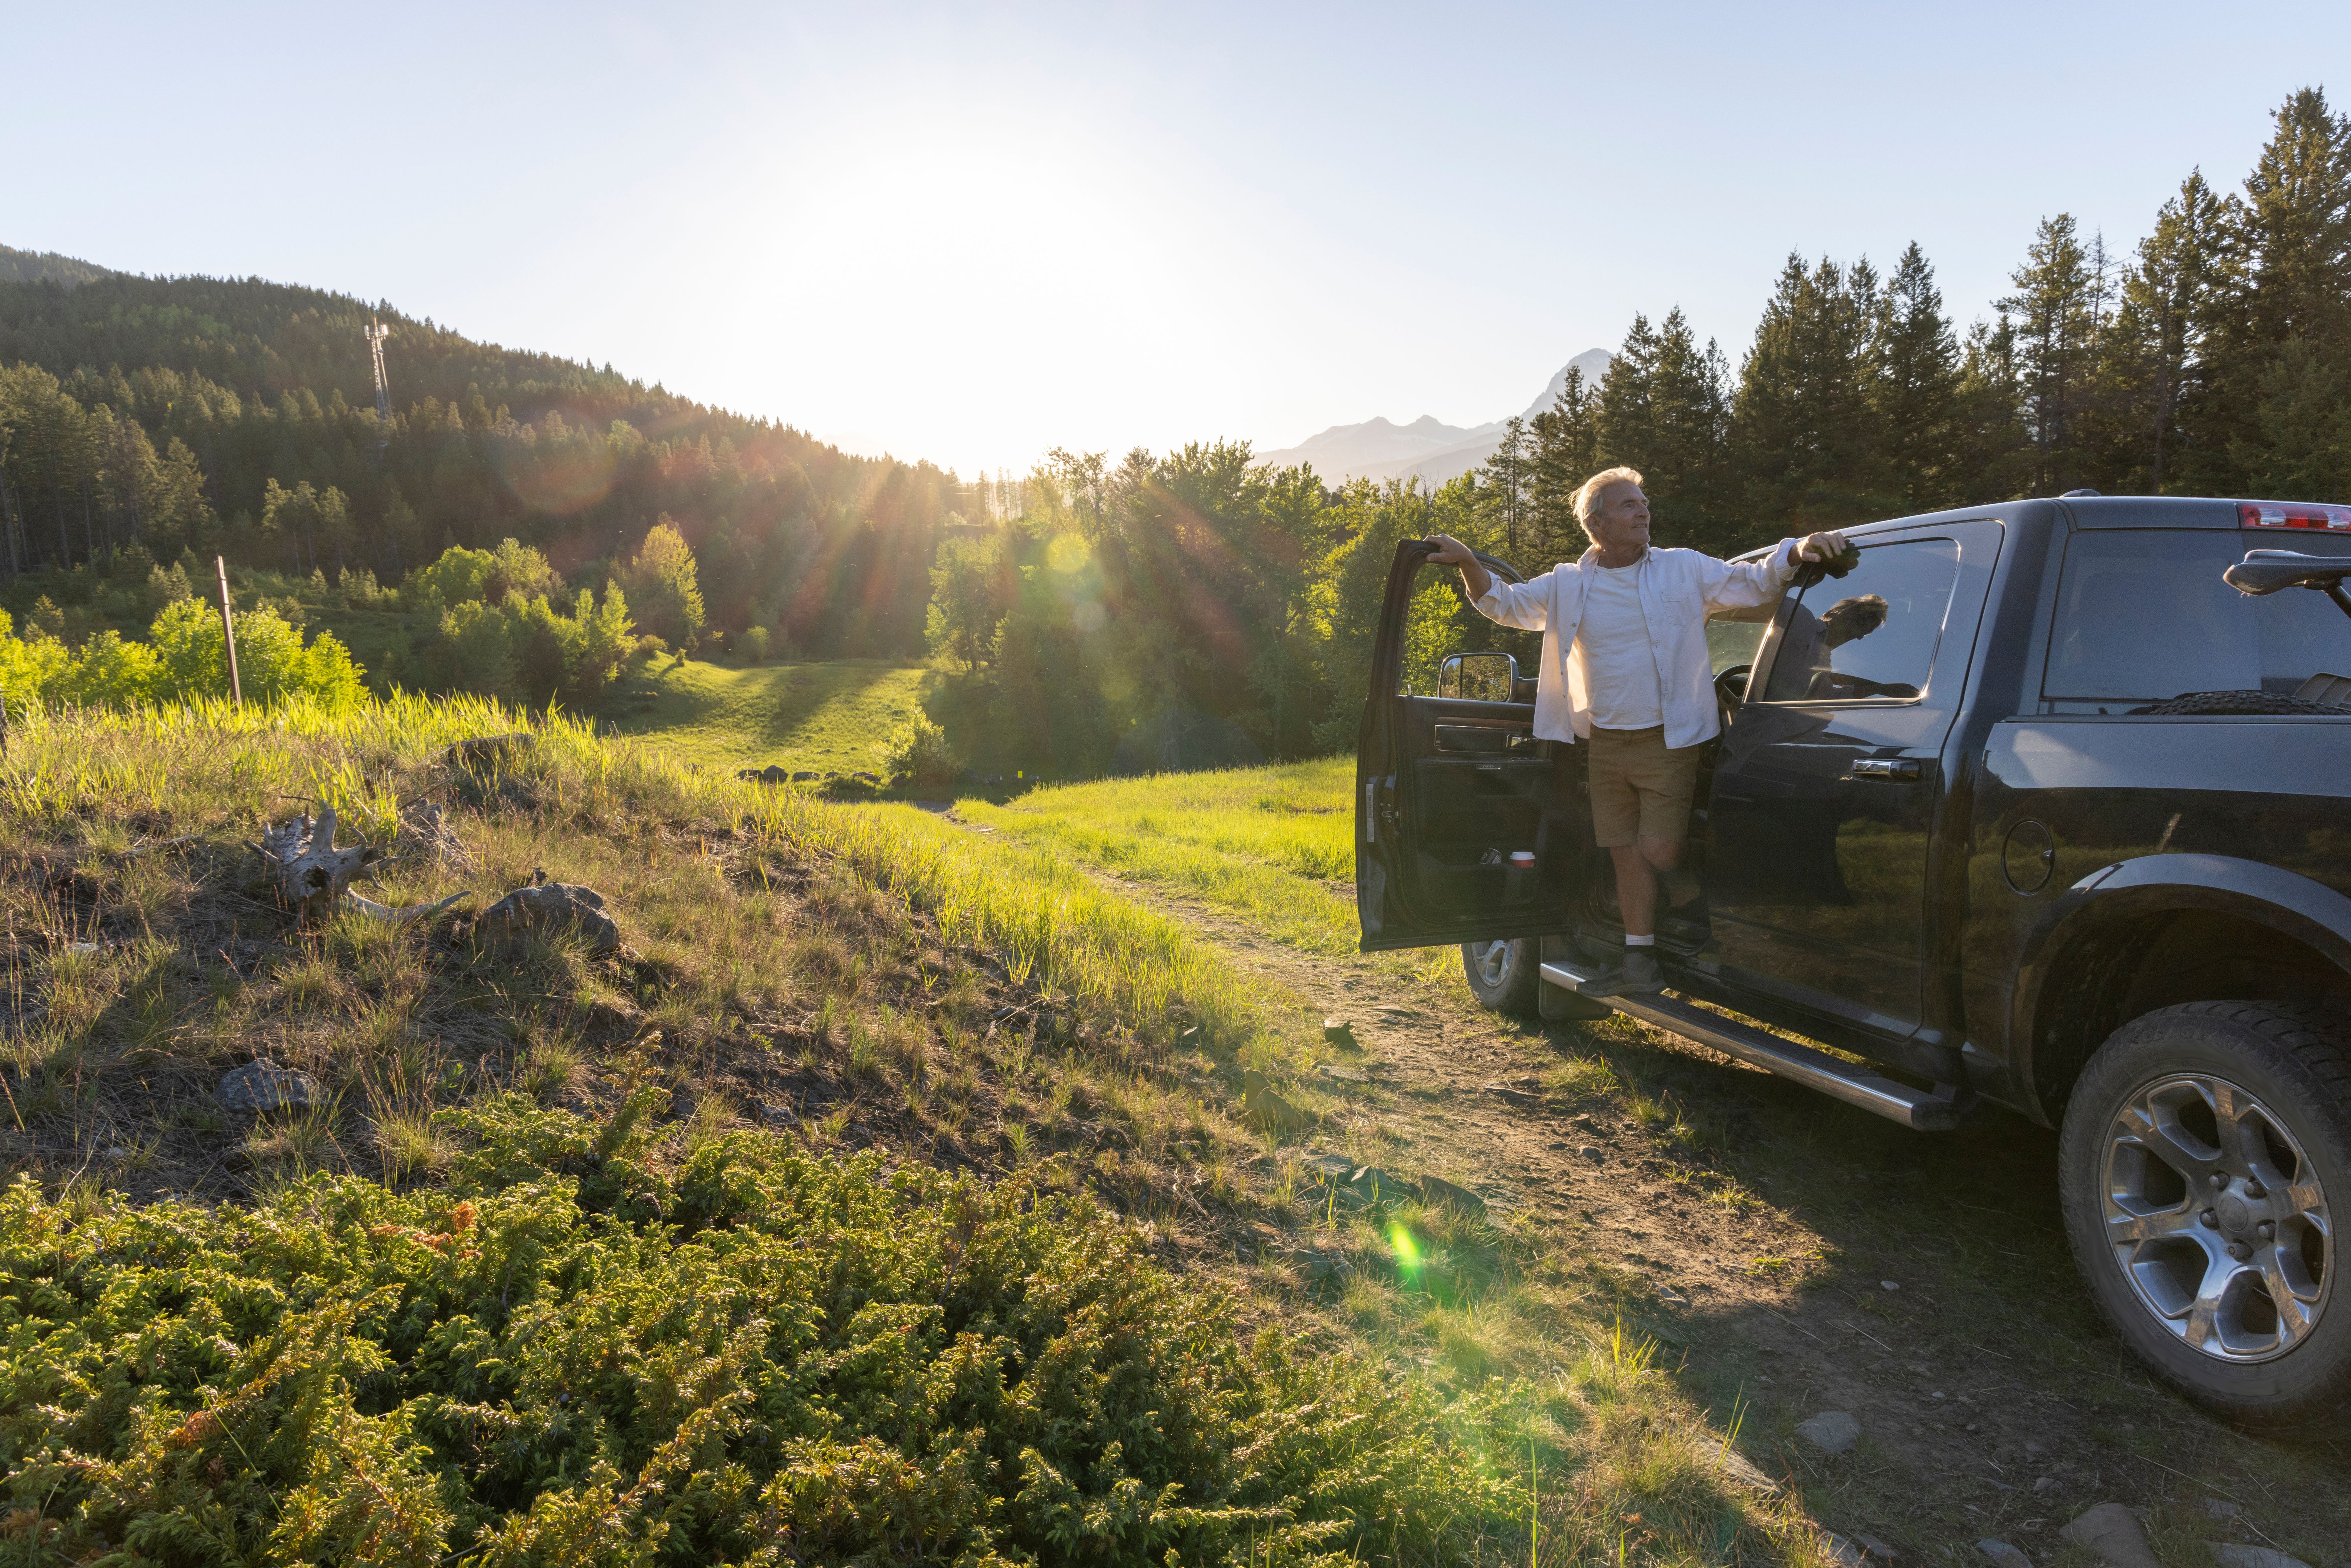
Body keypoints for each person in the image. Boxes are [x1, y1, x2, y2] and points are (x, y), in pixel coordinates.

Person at [1426, 466, 1847, 996]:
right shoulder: (1568, 583)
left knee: (1660, 852)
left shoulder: (1682, 570)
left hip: (1667, 740)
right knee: (1624, 853)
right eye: (1629, 505)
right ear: (1596, 523)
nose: (1643, 511)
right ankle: (1639, 960)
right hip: (1602, 742)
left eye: (1644, 503)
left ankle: (1692, 900)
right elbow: (1503, 604)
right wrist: (1468, 561)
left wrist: (1797, 548)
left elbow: (1753, 581)